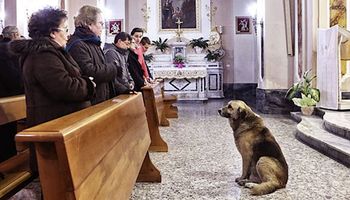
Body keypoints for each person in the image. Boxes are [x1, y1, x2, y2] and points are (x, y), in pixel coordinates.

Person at [10, 7, 95, 127]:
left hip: (61, 122)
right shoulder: (42, 56)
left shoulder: (51, 52)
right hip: (52, 125)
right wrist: (89, 84)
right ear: (52, 33)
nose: (68, 35)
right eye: (65, 29)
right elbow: (65, 88)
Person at [66, 5, 117, 103]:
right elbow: (90, 72)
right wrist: (113, 68)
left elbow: (101, 68)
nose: (103, 27)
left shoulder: (93, 42)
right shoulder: (78, 45)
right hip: (91, 101)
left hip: (100, 98)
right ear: (88, 24)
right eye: (101, 23)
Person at [0, 26, 24, 162]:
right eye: (19, 35)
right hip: (8, 97)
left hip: (5, 97)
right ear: (14, 35)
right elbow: (13, 77)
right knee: (7, 136)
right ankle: (9, 162)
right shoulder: (8, 50)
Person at [103, 32, 134, 96]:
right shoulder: (111, 53)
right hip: (117, 91)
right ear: (119, 41)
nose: (128, 47)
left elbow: (126, 71)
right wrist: (124, 89)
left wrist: (131, 82)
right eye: (126, 44)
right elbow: (113, 75)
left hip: (125, 88)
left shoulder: (123, 53)